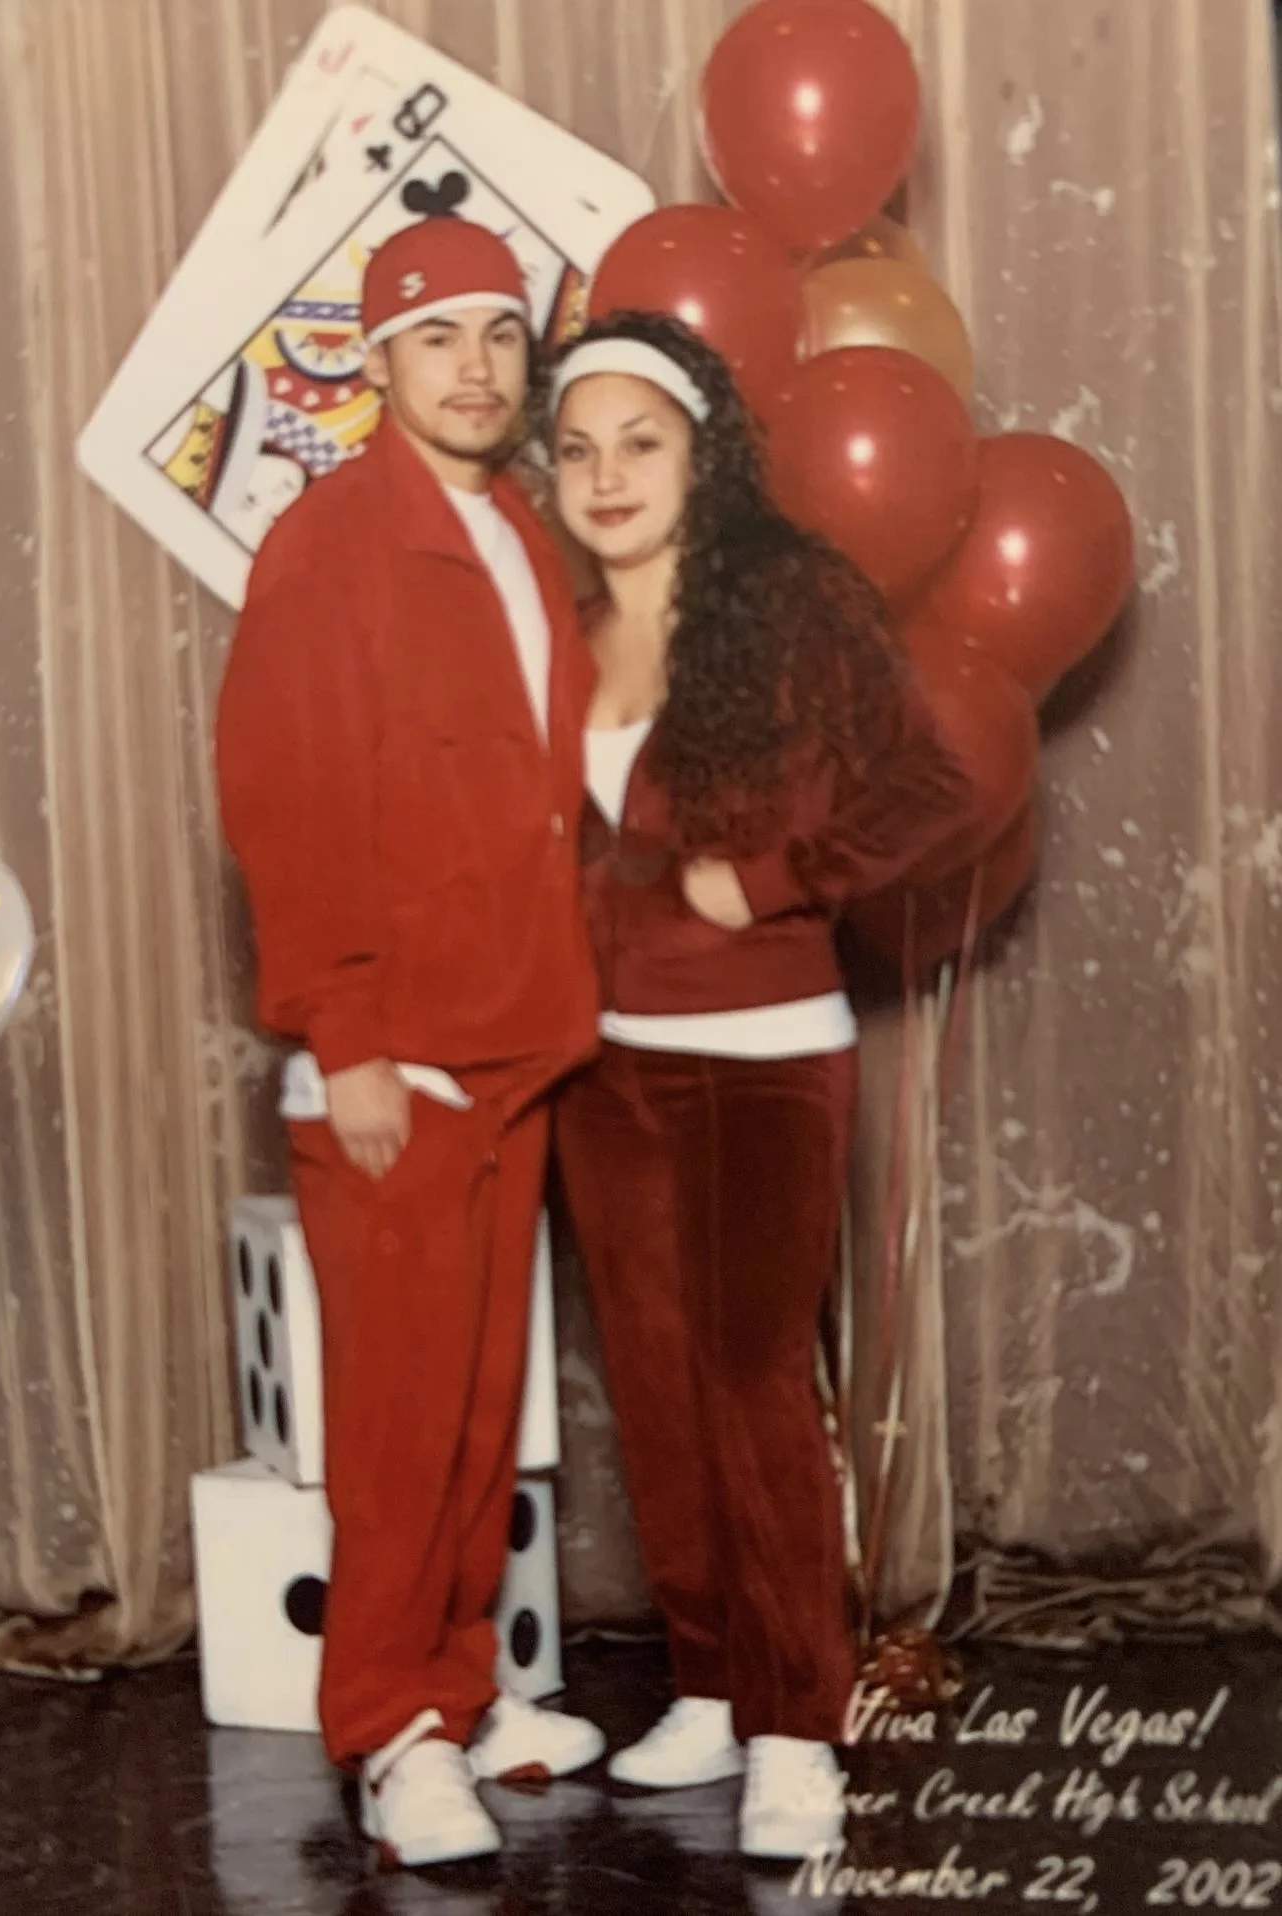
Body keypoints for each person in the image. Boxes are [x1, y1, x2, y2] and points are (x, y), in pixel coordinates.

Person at [544, 311, 977, 1861]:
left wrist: (781, 877)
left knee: (748, 1390)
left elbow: (936, 783)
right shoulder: (556, 623)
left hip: (762, 1065)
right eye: (579, 448)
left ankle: (801, 1722)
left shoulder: (790, 606)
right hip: (601, 1068)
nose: (607, 475)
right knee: (656, 1398)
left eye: (639, 442)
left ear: (702, 450)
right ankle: (717, 1689)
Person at [215, 219, 606, 1871]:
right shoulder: (331, 543)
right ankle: (387, 1729)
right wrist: (349, 1034)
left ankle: (463, 1689)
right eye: (436, 338)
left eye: (500, 339)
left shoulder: (520, 529)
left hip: (514, 1040)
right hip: (398, 1059)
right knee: (393, 1426)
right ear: (376, 364)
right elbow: (284, 803)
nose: (474, 367)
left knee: (472, 1415)